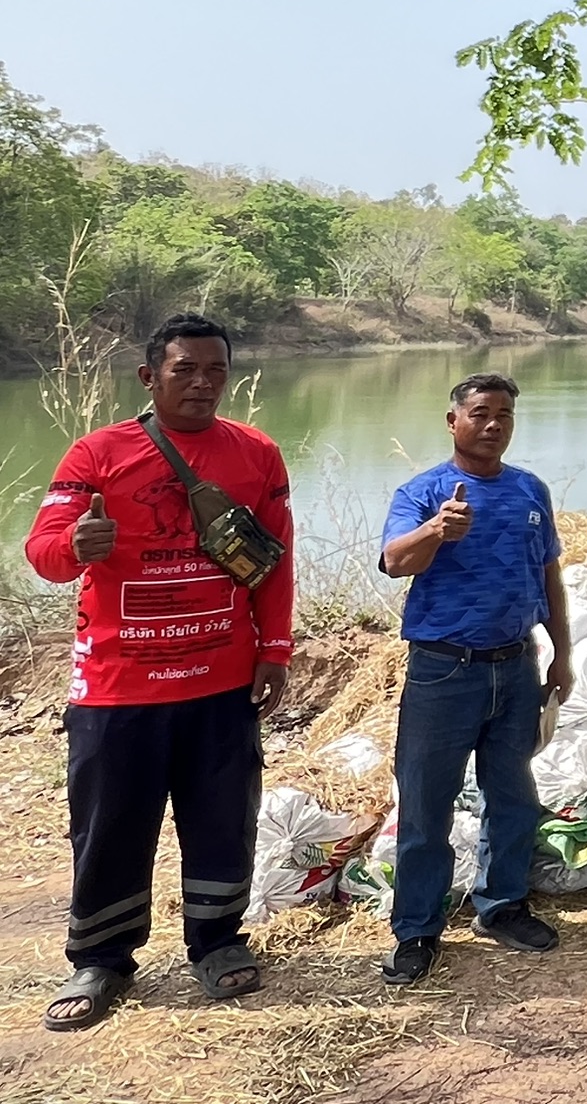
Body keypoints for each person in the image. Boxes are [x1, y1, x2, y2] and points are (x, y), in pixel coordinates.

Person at [25, 312, 295, 1030]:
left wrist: (274, 651)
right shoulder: (96, 453)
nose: (203, 384)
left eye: (215, 371)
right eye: (186, 370)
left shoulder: (257, 454)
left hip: (221, 682)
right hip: (118, 687)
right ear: (150, 377)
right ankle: (100, 959)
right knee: (111, 823)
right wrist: (77, 544)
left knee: (221, 821)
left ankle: (216, 943)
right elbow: (43, 551)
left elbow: (275, 561)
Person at [377, 372, 573, 986]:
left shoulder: (528, 491)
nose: (494, 426)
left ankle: (503, 905)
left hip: (515, 668)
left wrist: (561, 654)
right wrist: (438, 528)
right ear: (453, 420)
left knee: (513, 797)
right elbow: (391, 561)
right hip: (443, 672)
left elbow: (548, 580)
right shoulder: (424, 491)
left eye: (505, 415)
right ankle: (416, 930)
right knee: (426, 807)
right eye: (482, 413)